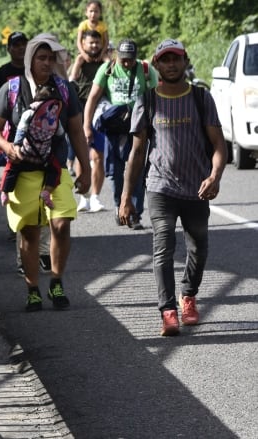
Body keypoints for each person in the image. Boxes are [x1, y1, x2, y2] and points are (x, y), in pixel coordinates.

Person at [119, 39, 227, 336]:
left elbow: (219, 145)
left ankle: (188, 297)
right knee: (163, 246)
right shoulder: (148, 100)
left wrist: (215, 176)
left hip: (197, 189)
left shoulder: (201, 98)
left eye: (175, 59)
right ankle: (168, 311)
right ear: (156, 64)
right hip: (160, 187)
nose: (171, 64)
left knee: (199, 249)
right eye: (165, 59)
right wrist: (127, 196)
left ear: (184, 61)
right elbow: (138, 152)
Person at [0, 34, 91, 312]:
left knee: (61, 223)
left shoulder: (65, 89)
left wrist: (86, 169)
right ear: (30, 60)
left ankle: (56, 282)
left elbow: (77, 133)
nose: (46, 63)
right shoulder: (12, 88)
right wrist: (8, 147)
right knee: (30, 234)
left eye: (50, 58)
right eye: (41, 58)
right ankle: (33, 289)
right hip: (23, 172)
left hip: (55, 170)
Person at [83, 38, 157, 229]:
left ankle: (135, 213)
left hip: (138, 128)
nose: (126, 63)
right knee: (115, 173)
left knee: (138, 171)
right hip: (114, 127)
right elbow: (92, 98)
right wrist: (86, 126)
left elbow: (158, 96)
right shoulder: (107, 69)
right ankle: (120, 206)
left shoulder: (146, 70)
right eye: (123, 59)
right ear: (116, 55)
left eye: (130, 59)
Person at [1, 84, 65, 209]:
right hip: (44, 158)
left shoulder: (29, 112)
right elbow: (60, 134)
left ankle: (4, 192)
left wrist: (17, 146)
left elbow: (21, 129)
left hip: (24, 154)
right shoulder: (54, 117)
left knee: (10, 168)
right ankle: (47, 192)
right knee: (56, 170)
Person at [69, 29, 106, 213]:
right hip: (80, 111)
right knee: (80, 154)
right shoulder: (80, 61)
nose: (94, 46)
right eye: (90, 43)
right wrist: (78, 61)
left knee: (99, 156)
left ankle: (96, 197)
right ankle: (83, 196)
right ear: (83, 44)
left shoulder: (105, 62)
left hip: (100, 113)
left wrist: (107, 59)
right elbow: (71, 80)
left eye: (97, 43)